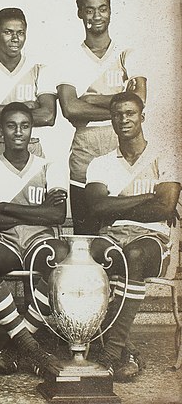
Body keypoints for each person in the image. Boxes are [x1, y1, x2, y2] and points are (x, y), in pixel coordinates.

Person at [86, 91, 180, 381]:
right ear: (111, 119)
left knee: (134, 256)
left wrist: (118, 204)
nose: (123, 119)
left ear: (142, 116)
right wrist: (145, 197)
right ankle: (128, 353)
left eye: (129, 113)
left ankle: (111, 352)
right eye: (117, 114)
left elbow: (165, 207)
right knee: (89, 257)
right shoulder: (100, 163)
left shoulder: (166, 155)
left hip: (152, 239)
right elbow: (97, 206)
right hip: (112, 235)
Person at [0, 102, 68, 376]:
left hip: (40, 240)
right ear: (1, 130)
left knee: (61, 255)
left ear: (31, 130)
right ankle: (30, 346)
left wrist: (3, 207)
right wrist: (38, 212)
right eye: (11, 126)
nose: (18, 132)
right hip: (5, 241)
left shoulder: (49, 166)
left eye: (25, 126)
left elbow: (57, 215)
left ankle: (15, 345)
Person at [57, 0, 146, 235]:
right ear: (79, 13)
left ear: (110, 11)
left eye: (102, 9)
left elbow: (139, 100)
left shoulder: (127, 54)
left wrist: (94, 99)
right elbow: (70, 108)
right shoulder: (69, 56)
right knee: (86, 235)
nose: (96, 16)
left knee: (125, 227)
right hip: (86, 147)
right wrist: (121, 104)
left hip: (124, 145)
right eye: (90, 10)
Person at [0, 8, 57, 163]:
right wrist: (25, 107)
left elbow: (48, 116)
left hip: (30, 147)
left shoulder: (38, 68)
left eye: (21, 33)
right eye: (8, 32)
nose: (15, 38)